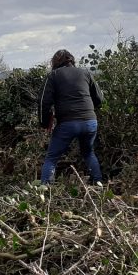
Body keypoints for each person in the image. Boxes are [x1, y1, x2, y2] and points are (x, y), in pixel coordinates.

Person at [38, 49, 104, 185]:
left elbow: (43, 102)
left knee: (51, 158)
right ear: (72, 60)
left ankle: (44, 192)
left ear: (54, 62)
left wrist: (44, 123)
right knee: (88, 153)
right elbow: (99, 99)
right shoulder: (86, 73)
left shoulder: (53, 75)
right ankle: (99, 185)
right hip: (90, 122)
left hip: (68, 123)